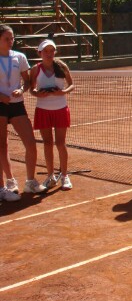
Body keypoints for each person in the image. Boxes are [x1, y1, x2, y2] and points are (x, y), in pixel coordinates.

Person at [0, 25, 46, 195]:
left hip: (17, 104)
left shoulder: (19, 57)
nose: (11, 41)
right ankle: (7, 184)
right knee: (2, 145)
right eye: (7, 38)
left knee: (31, 144)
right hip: (0, 105)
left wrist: (21, 90)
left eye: (12, 38)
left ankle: (30, 181)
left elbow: (27, 82)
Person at [29, 40, 75, 190]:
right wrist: (38, 94)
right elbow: (32, 89)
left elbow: (71, 85)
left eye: (51, 51)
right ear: (40, 53)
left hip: (61, 108)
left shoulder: (62, 66)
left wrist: (62, 92)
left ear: (55, 52)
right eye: (45, 51)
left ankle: (65, 176)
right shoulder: (35, 69)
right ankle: (50, 176)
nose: (49, 54)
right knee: (47, 143)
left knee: (60, 143)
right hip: (43, 110)